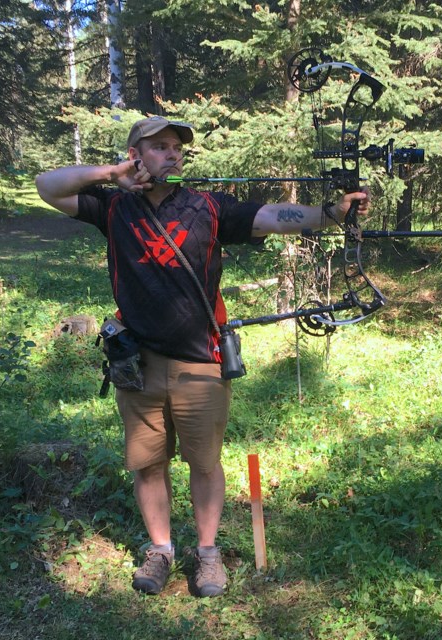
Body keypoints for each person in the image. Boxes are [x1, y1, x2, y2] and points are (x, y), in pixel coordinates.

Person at [35, 115, 369, 597]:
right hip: (137, 361)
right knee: (148, 464)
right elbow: (47, 186)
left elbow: (272, 216)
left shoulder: (206, 206)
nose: (173, 154)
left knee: (205, 462)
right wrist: (112, 174)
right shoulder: (111, 206)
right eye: (160, 146)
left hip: (199, 361)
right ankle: (161, 551)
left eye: (177, 147)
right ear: (137, 154)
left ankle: (208, 554)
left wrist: (331, 213)